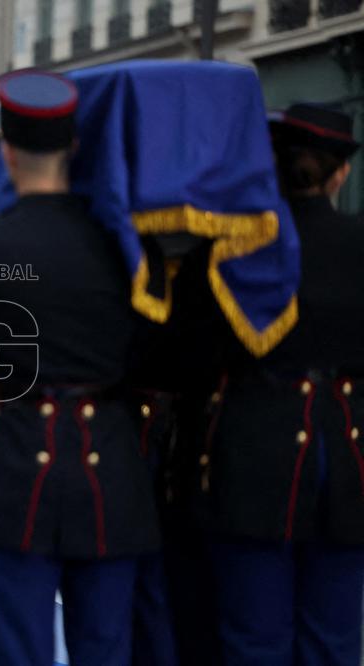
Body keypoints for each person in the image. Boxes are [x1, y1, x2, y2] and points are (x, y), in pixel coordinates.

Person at [0, 69, 161, 665]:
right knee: (107, 647)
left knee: (18, 647)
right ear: (76, 147)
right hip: (112, 458)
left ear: (6, 152)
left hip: (17, 460)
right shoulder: (123, 246)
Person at [199, 103, 364, 665]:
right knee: (335, 637)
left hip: (253, 449)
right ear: (340, 173)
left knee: (253, 636)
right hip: (347, 451)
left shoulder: (237, 248)